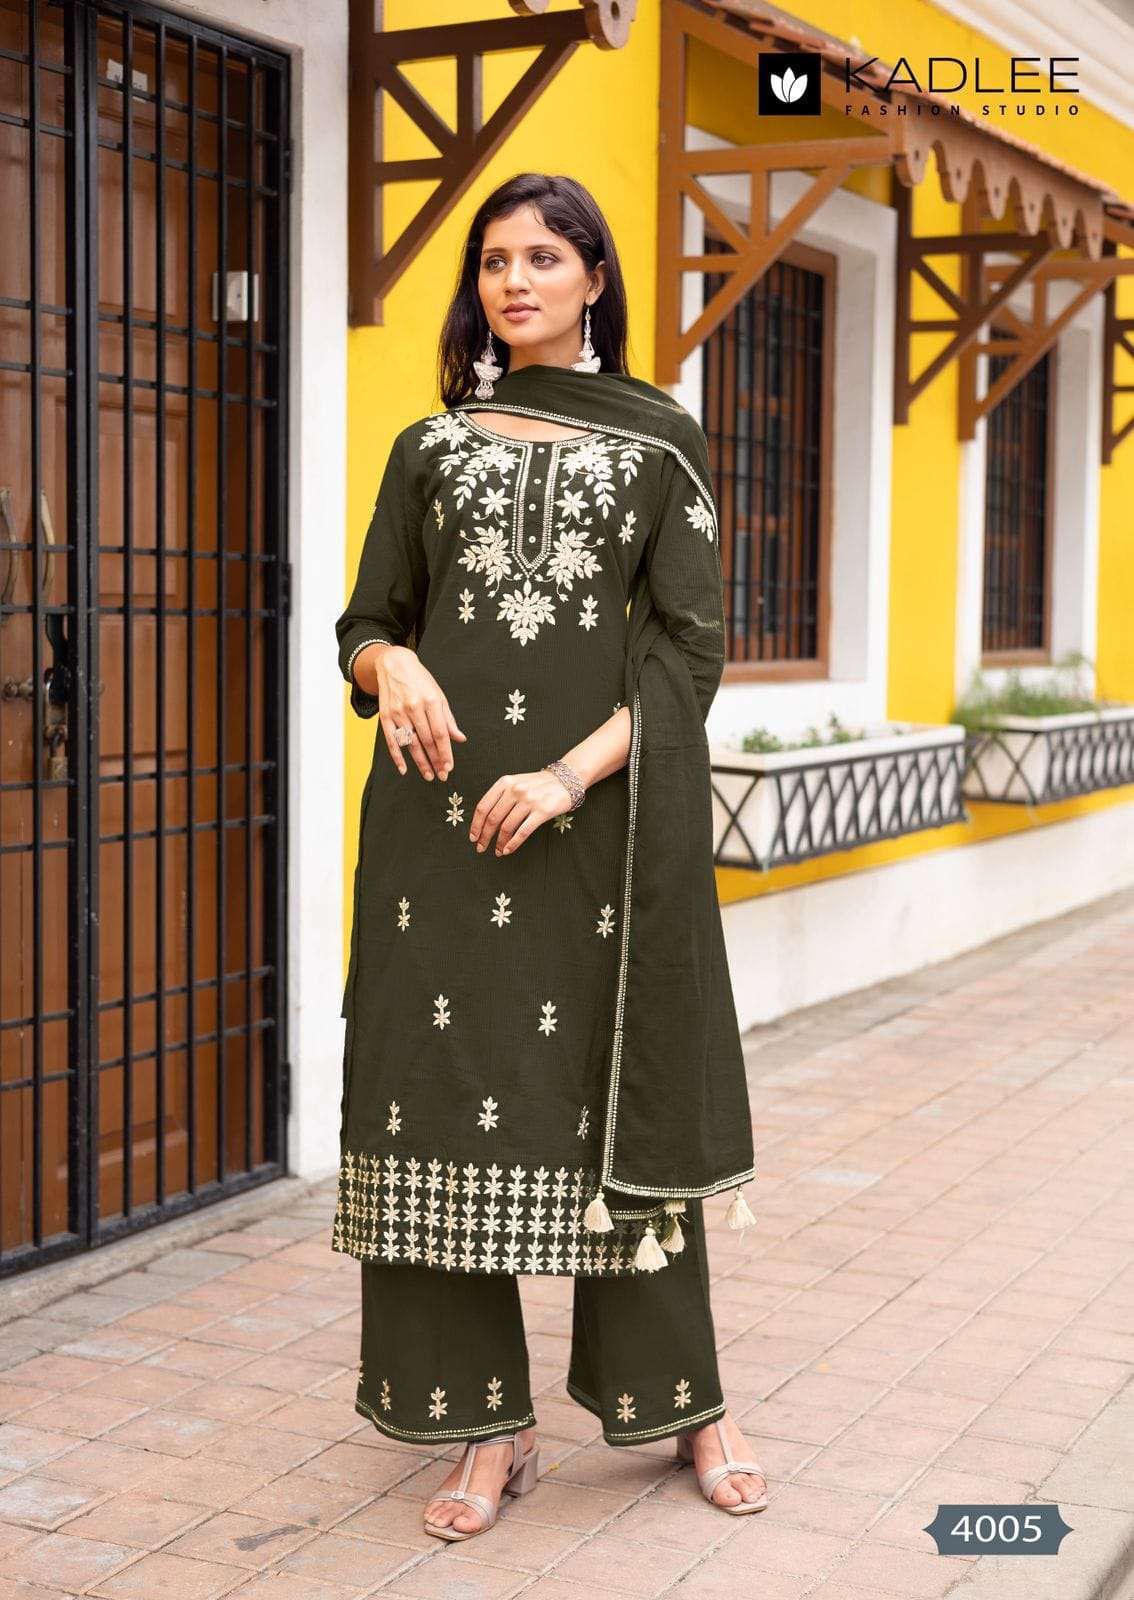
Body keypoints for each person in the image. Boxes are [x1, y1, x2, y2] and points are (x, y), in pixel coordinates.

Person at [334, 172, 764, 1542]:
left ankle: (687, 1402)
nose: (512, 282)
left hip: (595, 835)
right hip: (435, 830)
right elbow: (364, 619)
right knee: (434, 1098)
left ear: (592, 277)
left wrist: (568, 774)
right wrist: (393, 664)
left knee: (612, 1102)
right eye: (492, 261)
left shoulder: (658, 444)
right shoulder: (427, 445)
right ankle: (485, 1424)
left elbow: (690, 653)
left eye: (541, 257)